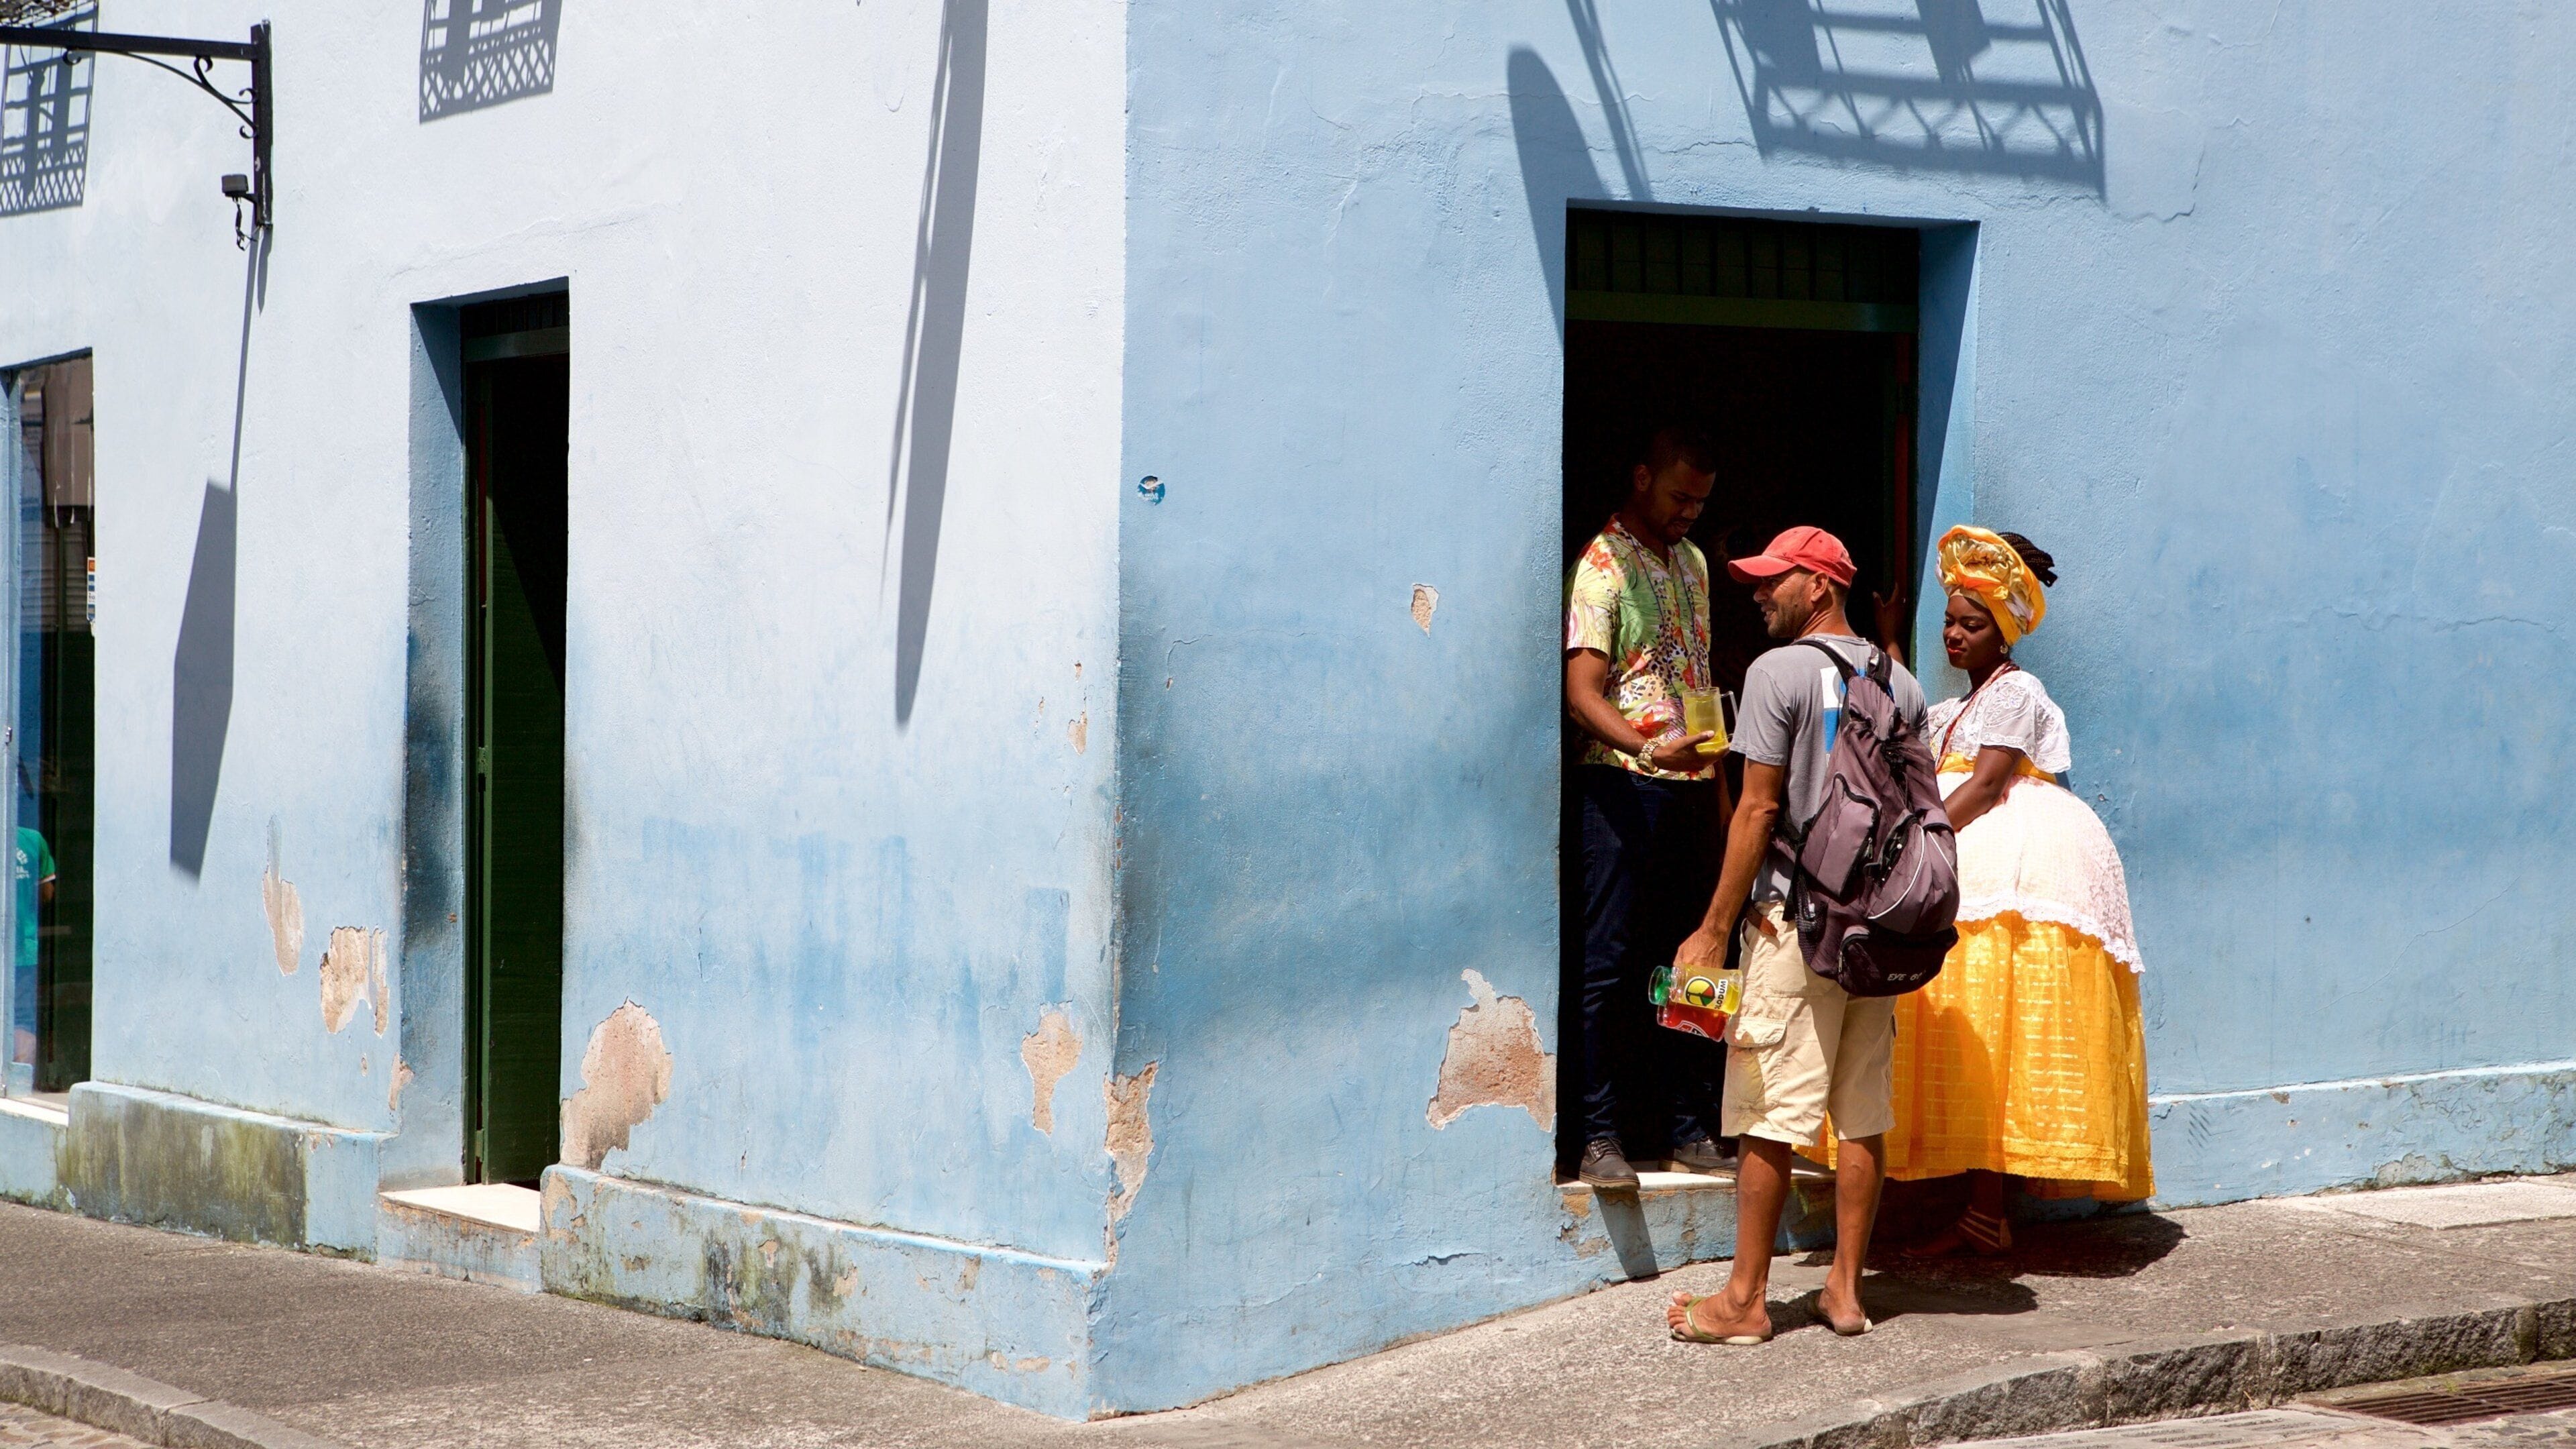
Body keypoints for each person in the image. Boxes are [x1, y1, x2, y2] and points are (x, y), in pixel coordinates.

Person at [1664, 525, 1925, 1344]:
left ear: (1819, 586)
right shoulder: (1904, 683)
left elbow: (1760, 807)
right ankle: (1844, 1291)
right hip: (1872, 934)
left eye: (1773, 580)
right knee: (1861, 1112)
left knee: (1769, 1107)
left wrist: (1710, 930)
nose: (1757, 594)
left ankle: (1743, 1302)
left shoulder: (1776, 673)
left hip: (1795, 923)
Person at [1887, 527, 2153, 1254]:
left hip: (2007, 860)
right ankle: (1967, 1203)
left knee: (1999, 1021)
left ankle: (1984, 1207)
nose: (1955, 635)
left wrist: (1918, 841)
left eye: (1972, 625)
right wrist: (1890, 644)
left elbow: (1986, 783)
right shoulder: (1957, 710)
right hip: (1970, 853)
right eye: (1949, 621)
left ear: (2003, 633)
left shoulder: (2018, 693)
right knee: (1965, 1022)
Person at [1562, 426, 1733, 1189]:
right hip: (1623, 785)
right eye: (1677, 497)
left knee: (1694, 956)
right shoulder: (1601, 570)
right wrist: (1643, 747)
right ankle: (1599, 1135)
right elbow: (1581, 694)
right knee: (1609, 966)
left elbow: (1696, 680)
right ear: (1640, 477)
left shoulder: (1694, 564)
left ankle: (1689, 1124)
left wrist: (1722, 792)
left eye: (1699, 502)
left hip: (1694, 789)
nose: (1688, 514)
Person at [11, 824, 54, 1071]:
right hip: (23, 951)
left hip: (22, 951)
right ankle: (20, 1084)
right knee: (24, 1022)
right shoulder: (32, 839)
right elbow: (47, 894)